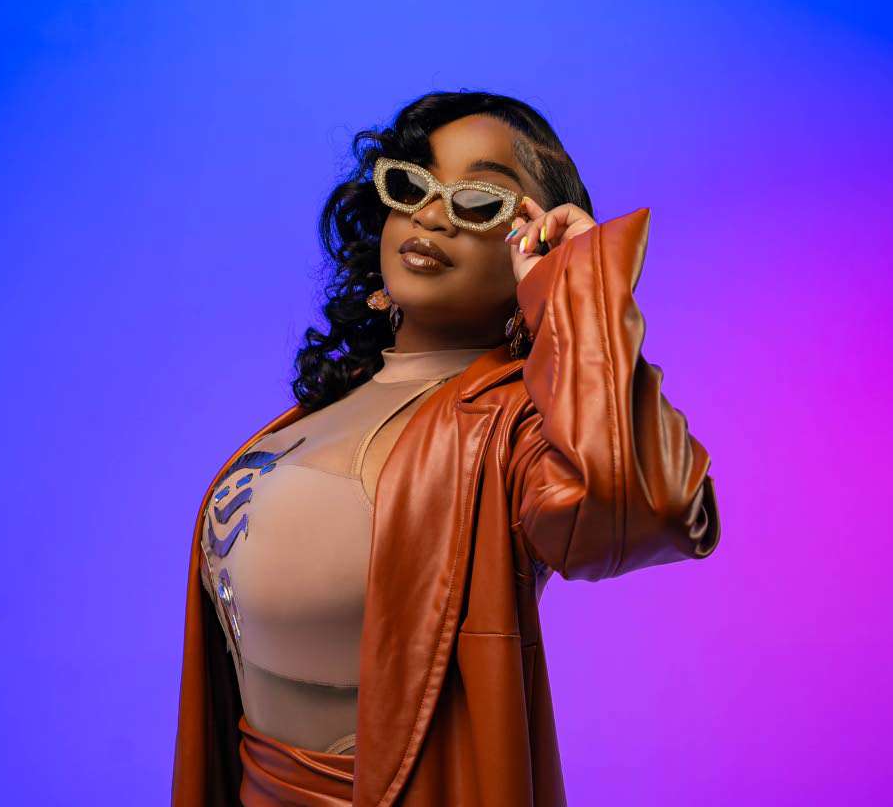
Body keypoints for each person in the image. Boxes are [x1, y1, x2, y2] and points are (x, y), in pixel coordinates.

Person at [171, 89, 722, 807]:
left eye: (479, 201)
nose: (432, 214)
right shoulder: (313, 416)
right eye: (413, 185)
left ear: (534, 245)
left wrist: (578, 290)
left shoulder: (514, 429)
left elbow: (651, 505)